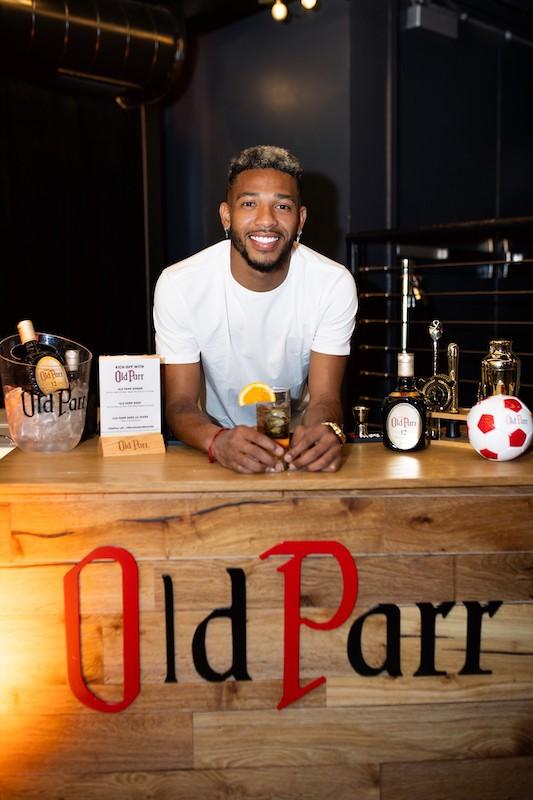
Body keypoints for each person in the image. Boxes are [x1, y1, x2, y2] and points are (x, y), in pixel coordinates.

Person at [153, 145, 357, 473]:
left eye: (282, 205)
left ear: (300, 219)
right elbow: (181, 404)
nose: (266, 220)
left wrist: (324, 433)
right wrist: (217, 440)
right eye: (249, 203)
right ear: (226, 215)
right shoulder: (179, 285)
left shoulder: (332, 284)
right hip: (213, 442)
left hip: (296, 446)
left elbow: (325, 399)